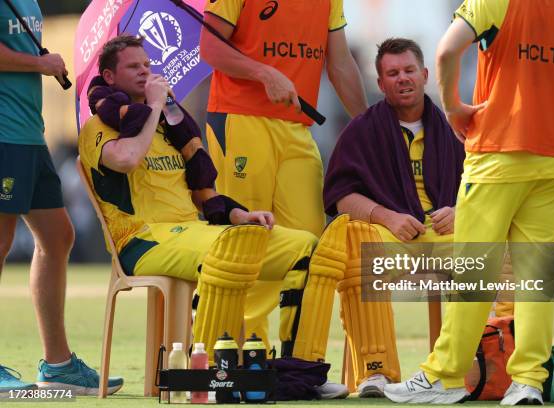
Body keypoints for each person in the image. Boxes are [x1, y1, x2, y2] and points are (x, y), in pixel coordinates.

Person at [78, 35, 350, 399]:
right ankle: (209, 377)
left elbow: (201, 193)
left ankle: (298, 371)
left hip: (197, 230)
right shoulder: (98, 127)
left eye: (147, 64)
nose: (145, 71)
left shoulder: (171, 127)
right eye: (133, 67)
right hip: (142, 239)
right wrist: (156, 107)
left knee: (309, 248)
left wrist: (238, 213)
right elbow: (126, 159)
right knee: (229, 248)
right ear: (110, 77)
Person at [383, 0, 554, 404]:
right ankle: (529, 381)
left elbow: (447, 51)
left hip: (499, 153)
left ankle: (443, 376)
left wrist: (451, 108)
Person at [199, 0, 368, 352]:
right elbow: (210, 47)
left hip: (297, 128)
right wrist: (263, 72)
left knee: (311, 241)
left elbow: (339, 63)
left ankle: (300, 359)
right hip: (239, 118)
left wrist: (370, 126)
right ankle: (241, 352)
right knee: (247, 238)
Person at [323, 38, 465, 398]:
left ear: (425, 74)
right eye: (392, 73)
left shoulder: (456, 126)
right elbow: (341, 197)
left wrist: (462, 210)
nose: (402, 79)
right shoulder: (362, 130)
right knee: (355, 243)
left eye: (408, 70)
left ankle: (486, 365)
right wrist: (386, 217)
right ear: (380, 82)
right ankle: (376, 371)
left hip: (448, 233)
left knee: (500, 248)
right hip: (393, 236)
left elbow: (486, 185)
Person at [0, 0, 123, 395]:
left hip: (30, 135)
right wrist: (40, 64)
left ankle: (58, 365)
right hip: (3, 136)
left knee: (58, 236)